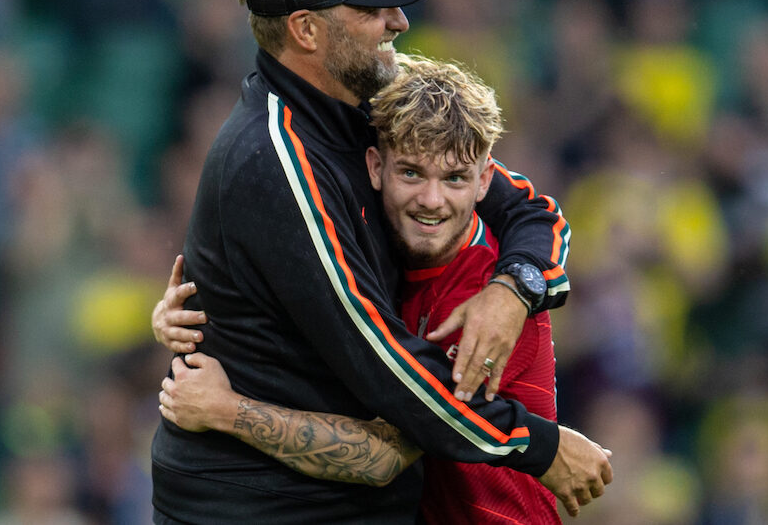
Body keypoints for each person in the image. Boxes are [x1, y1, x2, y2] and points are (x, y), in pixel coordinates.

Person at [149, 0, 611, 524]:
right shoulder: (276, 159)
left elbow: (527, 208)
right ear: (307, 30)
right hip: (265, 510)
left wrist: (514, 289)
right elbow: (387, 364)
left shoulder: (369, 105)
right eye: (374, 7)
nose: (400, 20)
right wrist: (542, 447)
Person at [160, 54, 566, 524]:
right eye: (411, 172)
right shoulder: (382, 252)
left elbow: (382, 457)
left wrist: (226, 411)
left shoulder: (478, 304)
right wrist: (192, 311)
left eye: (455, 178)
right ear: (374, 169)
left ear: (484, 182)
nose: (432, 201)